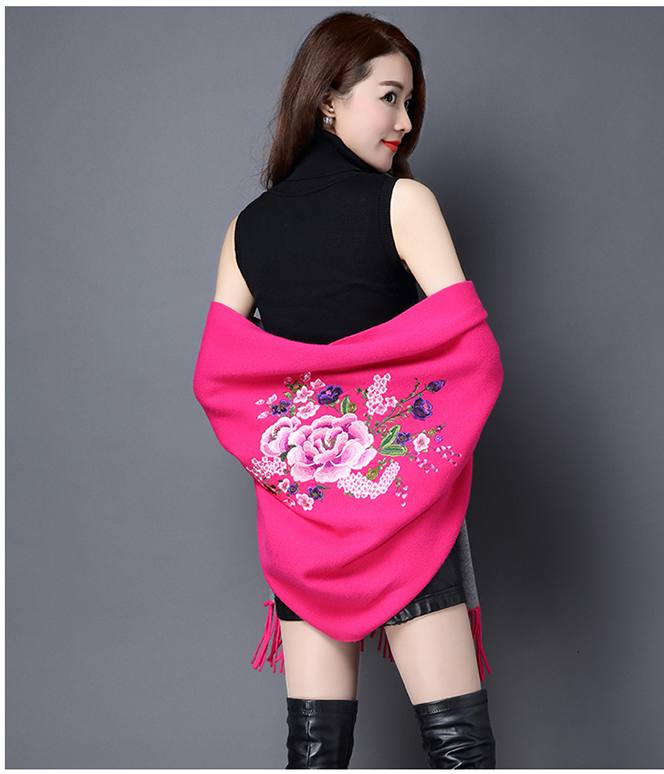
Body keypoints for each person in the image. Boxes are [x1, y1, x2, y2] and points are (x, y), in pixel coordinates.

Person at [202, 11, 499, 769]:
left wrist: (305, 464)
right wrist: (390, 461)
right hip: (404, 513)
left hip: (302, 526)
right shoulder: (404, 202)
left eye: (410, 103)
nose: (405, 122)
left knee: (315, 754)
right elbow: (471, 355)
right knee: (458, 747)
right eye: (390, 97)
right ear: (329, 99)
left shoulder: (247, 227)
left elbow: (220, 376)